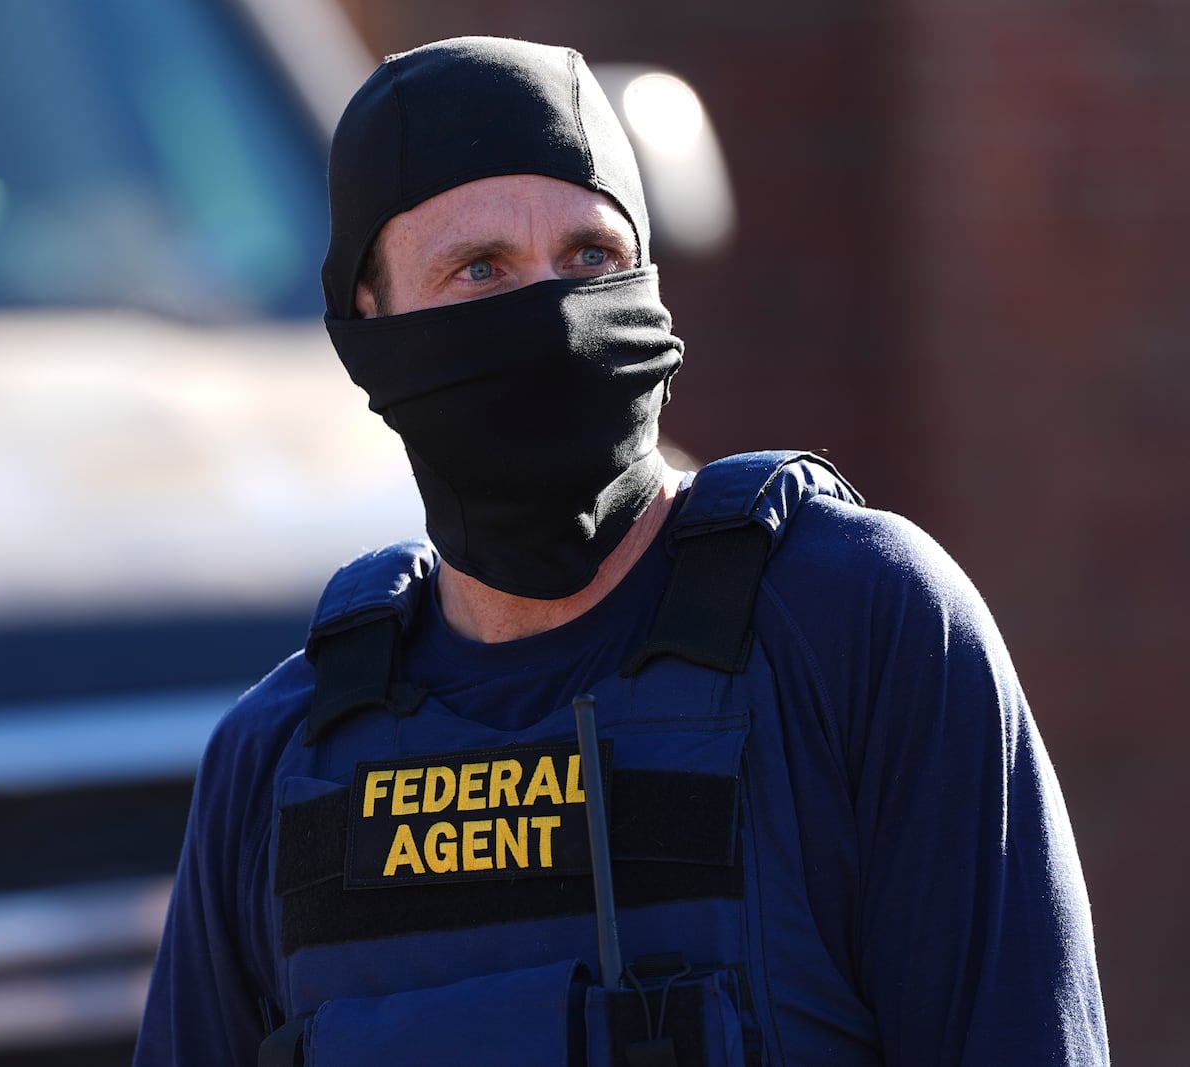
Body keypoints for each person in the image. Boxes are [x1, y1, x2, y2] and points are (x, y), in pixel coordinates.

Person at [133, 36, 1108, 1066]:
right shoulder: (277, 755)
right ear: (366, 325)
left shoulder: (852, 623)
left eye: (590, 258)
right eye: (480, 269)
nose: (553, 313)